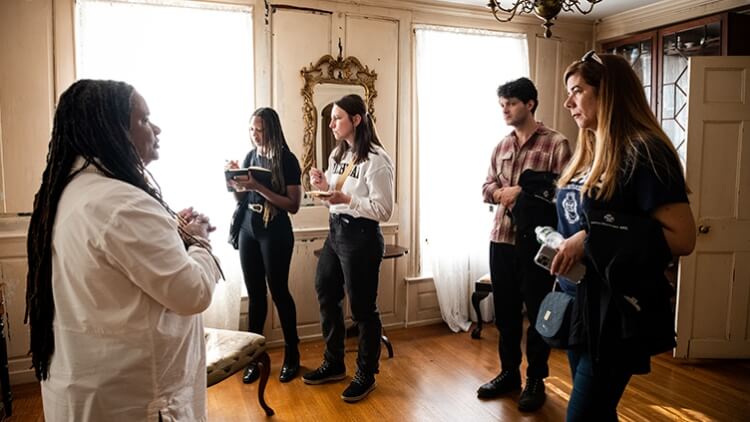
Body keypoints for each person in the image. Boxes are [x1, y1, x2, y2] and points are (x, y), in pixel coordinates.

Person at [25, 79, 222, 421]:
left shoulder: (69, 191)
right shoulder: (123, 203)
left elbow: (119, 266)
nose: (156, 128)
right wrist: (199, 238)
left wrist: (175, 235)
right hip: (139, 399)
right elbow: (193, 293)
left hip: (92, 385)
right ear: (111, 130)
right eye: (144, 120)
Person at [553, 51, 696, 421]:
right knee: (599, 413)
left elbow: (682, 238)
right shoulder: (590, 152)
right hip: (578, 302)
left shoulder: (646, 152)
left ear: (609, 93)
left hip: (615, 313)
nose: (568, 102)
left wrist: (588, 239)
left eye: (577, 90)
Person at [479, 77, 572, 411]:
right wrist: (499, 193)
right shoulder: (501, 146)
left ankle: (536, 378)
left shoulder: (557, 144)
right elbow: (486, 186)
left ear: (530, 104)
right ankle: (508, 373)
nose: (505, 109)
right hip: (501, 239)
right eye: (502, 104)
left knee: (538, 313)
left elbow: (565, 195)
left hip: (538, 243)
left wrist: (526, 192)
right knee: (505, 314)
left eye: (512, 103)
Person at [302, 94, 394, 403]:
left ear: (356, 120)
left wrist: (347, 200)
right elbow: (332, 194)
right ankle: (334, 363)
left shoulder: (377, 159)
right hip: (335, 232)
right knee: (326, 293)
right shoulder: (337, 155)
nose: (331, 123)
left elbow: (383, 210)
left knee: (363, 309)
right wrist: (322, 183)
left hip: (362, 237)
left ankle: (366, 373)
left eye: (338, 117)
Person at [226, 107, 302, 383]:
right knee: (256, 295)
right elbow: (243, 200)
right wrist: (236, 184)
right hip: (249, 228)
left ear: (271, 129)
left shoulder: (287, 160)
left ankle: (292, 353)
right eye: (251, 130)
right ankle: (254, 358)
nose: (254, 135)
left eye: (259, 130)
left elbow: (293, 205)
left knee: (279, 292)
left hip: (276, 231)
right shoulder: (250, 157)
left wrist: (258, 187)